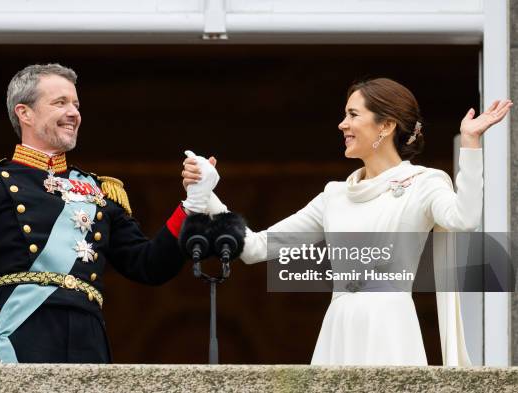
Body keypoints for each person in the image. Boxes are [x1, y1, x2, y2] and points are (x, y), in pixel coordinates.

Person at [182, 78, 511, 366]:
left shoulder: (423, 184)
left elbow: (465, 218)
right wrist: (208, 196)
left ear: (386, 125)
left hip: (390, 326)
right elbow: (254, 248)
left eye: (353, 115)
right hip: (339, 327)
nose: (342, 124)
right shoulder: (334, 196)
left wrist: (470, 143)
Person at [0, 63, 217, 364]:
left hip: (88, 343)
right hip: (20, 338)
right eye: (60, 103)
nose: (74, 112)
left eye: (76, 104)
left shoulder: (101, 191)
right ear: (25, 113)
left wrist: (192, 203)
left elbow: (149, 265)